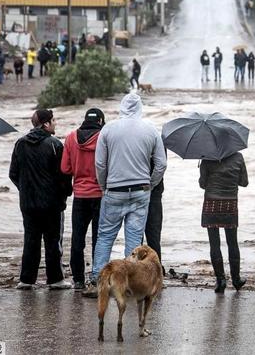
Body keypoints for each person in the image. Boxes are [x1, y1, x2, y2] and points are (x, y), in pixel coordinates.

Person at [83, 93, 166, 298]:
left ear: (121, 107)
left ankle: (98, 282)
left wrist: (104, 187)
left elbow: (100, 164)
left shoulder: (109, 129)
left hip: (114, 191)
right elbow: (161, 164)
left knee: (104, 237)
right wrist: (151, 184)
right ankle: (130, 284)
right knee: (134, 240)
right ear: (140, 108)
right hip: (141, 191)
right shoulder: (150, 130)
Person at [9, 109, 73, 291]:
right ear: (45, 124)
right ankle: (55, 280)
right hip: (51, 204)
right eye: (53, 120)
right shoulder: (54, 144)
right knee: (53, 240)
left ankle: (26, 280)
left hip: (28, 204)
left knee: (31, 239)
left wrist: (25, 190)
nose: (55, 123)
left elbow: (13, 173)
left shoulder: (20, 144)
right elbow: (64, 175)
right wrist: (65, 194)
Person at [61, 108, 105, 290]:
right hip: (100, 195)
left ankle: (78, 279)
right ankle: (97, 276)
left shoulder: (71, 137)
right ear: (101, 121)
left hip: (80, 195)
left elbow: (65, 168)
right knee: (99, 238)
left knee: (77, 238)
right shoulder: (104, 137)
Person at [200, 151, 249, 294]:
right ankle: (236, 280)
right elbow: (244, 182)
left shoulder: (207, 156)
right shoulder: (238, 157)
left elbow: (203, 184)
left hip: (211, 203)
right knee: (232, 242)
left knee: (214, 243)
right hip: (230, 203)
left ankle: (220, 280)